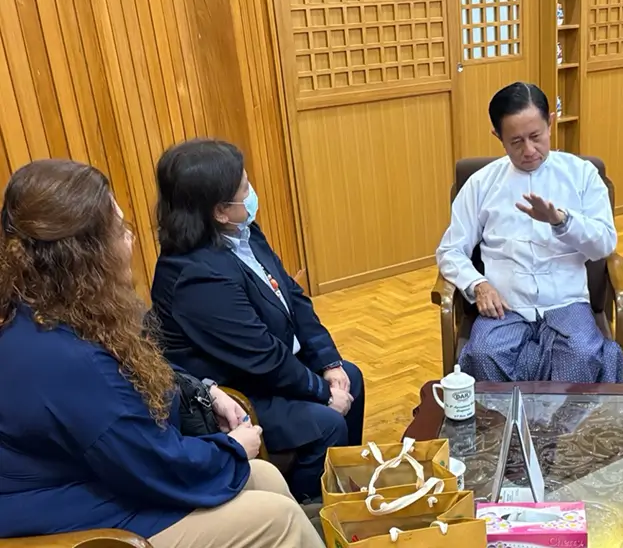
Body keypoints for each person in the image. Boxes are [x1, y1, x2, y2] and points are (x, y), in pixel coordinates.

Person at [0, 160, 324, 547]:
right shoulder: (65, 360)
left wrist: (201, 390)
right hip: (74, 514)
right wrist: (232, 447)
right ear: (86, 256)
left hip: (97, 478)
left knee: (265, 478)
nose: (130, 238)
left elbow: (133, 379)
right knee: (279, 519)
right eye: (119, 229)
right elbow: (152, 464)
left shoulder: (51, 308)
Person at [150, 138, 364, 502]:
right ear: (219, 210)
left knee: (350, 375)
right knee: (326, 422)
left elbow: (293, 297)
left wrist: (328, 362)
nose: (252, 194)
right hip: (238, 391)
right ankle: (308, 510)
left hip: (271, 367)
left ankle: (343, 491)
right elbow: (260, 356)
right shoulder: (197, 278)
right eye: (245, 188)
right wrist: (322, 392)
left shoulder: (243, 233)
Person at [436, 81, 623, 383]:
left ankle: (563, 432)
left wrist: (562, 221)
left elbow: (603, 244)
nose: (529, 150)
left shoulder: (582, 175)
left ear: (551, 122)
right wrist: (479, 285)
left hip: (566, 301)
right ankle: (503, 432)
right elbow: (450, 250)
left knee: (582, 354)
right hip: (506, 304)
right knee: (483, 355)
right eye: (516, 142)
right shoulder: (482, 184)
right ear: (498, 137)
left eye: (536, 136)